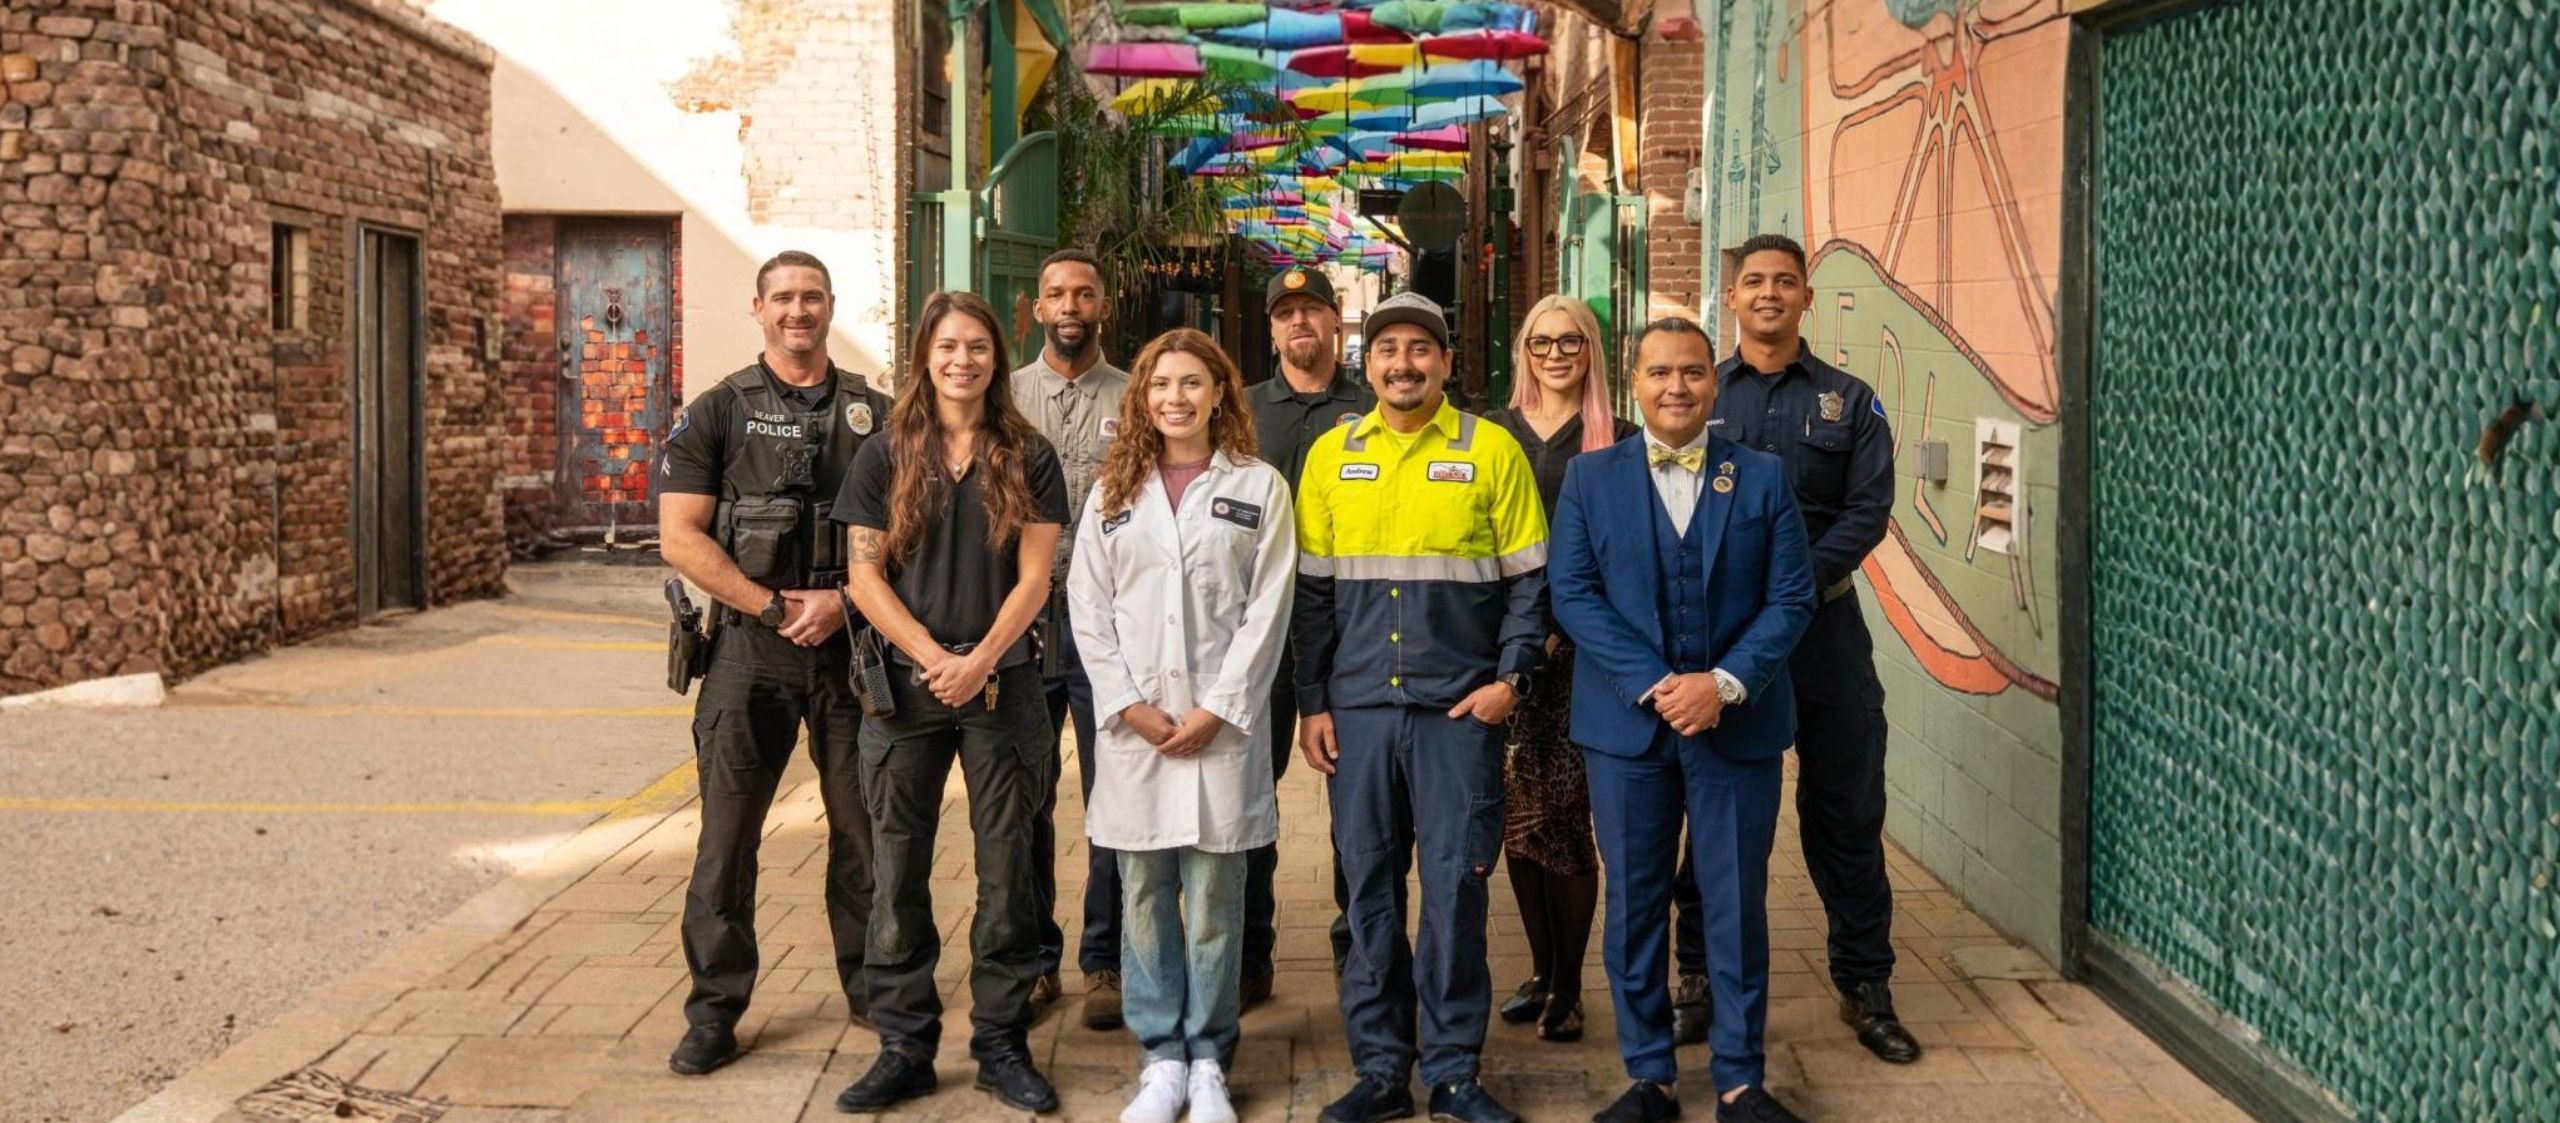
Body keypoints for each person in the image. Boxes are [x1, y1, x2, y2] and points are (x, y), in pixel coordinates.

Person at [1550, 316, 1817, 1123]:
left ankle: (1740, 1077)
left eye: (1693, 372)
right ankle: (1651, 1076)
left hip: (1737, 725)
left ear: (1714, 381)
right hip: (1627, 729)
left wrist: (1726, 683)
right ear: (1634, 382)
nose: (1677, 387)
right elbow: (1574, 594)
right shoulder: (1590, 479)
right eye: (1660, 372)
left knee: (1735, 901)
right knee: (1634, 903)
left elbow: (1792, 596)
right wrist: (1662, 683)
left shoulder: (1763, 477)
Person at [1295, 291, 1548, 1123]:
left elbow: (1530, 582)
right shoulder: (1333, 455)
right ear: (1367, 362)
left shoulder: (1493, 451)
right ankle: (1379, 1070)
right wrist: (1312, 703)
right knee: (1367, 890)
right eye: (1387, 350)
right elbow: (1314, 597)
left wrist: (1512, 678)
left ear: (1445, 361)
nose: (1402, 364)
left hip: (1457, 713)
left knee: (1454, 892)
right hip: (1360, 712)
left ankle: (1451, 1072)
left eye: (1420, 350)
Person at [1669, 233, 1918, 1066]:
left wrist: (1790, 588)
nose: (1769, 293)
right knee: (1717, 816)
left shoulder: (1850, 401)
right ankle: (1697, 977)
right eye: (1753, 282)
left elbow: (1867, 511)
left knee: (1846, 811)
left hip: (1824, 636)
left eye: (1785, 281)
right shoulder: (1701, 401)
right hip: (1723, 640)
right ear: (1730, 298)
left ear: (1808, 298)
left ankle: (1865, 981)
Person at [830, 291, 1070, 1114]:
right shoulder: (885, 452)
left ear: (997, 359)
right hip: (906, 690)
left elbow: (1037, 578)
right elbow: (862, 576)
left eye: (977, 346)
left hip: (1004, 685)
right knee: (895, 868)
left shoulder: (1028, 454)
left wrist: (981, 660)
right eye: (947, 345)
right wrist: (935, 657)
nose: (962, 359)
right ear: (925, 355)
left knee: (1010, 871)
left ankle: (1002, 1041)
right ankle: (906, 1043)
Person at [654, 250, 892, 1077]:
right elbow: (679, 534)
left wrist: (845, 602)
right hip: (749, 652)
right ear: (758, 308)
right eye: (784, 298)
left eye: (813, 297)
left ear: (831, 306)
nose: (799, 310)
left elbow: (912, 528)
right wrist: (767, 605)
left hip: (848, 648)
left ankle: (873, 990)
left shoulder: (876, 413)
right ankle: (715, 1010)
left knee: (865, 834)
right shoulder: (717, 411)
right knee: (726, 841)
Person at [1067, 329, 1295, 1123]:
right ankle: (1161, 1056)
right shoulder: (1111, 492)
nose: (1176, 397)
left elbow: (1269, 610)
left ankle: (1210, 1060)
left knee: (1214, 900)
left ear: (1220, 393)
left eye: (1192, 383)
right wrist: (1126, 703)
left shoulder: (1259, 486)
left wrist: (1218, 708)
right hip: (1135, 731)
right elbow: (1088, 609)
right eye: (1161, 384)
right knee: (1141, 895)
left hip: (1219, 728)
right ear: (1142, 398)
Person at [1480, 294, 1637, 1045]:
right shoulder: (1491, 433)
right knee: (1519, 824)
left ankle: (1571, 987)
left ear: (1590, 348)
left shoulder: (1621, 442)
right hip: (1505, 657)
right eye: (1541, 339)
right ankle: (1542, 969)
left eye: (1570, 338)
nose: (1555, 351)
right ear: (1524, 349)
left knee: (1567, 826)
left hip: (1585, 660)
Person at [1010, 248, 1131, 1029]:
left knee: (1111, 795)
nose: (1069, 305)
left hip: (1110, 625)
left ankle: (1105, 957)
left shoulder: (1138, 396)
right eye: (1056, 293)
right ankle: (1030, 957)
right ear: (1035, 307)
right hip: (1020, 620)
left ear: (1103, 305)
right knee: (1021, 795)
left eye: (1084, 292)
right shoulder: (1004, 395)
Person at [1245, 266, 1374, 994]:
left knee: (1356, 806)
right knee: (1247, 797)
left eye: (1313, 311)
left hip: (1348, 632)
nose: (1300, 324)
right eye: (1286, 312)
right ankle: (1249, 952)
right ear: (1271, 328)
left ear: (1336, 321)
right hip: (1258, 634)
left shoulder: (1370, 406)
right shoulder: (1241, 409)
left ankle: (1358, 944)